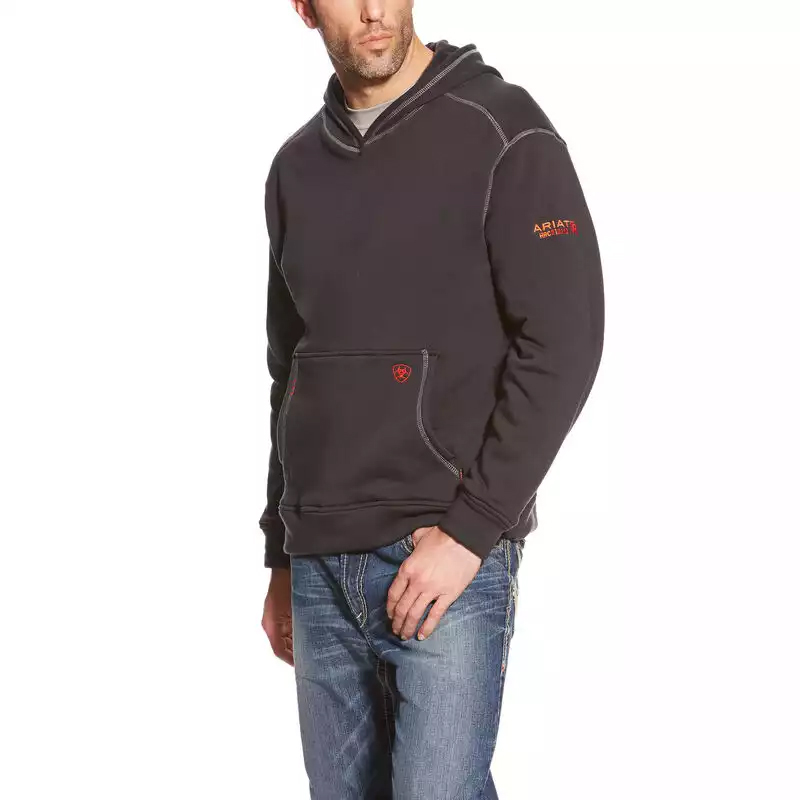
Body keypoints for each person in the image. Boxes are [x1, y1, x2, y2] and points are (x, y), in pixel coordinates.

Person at [259, 2, 605, 797]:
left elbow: (565, 341)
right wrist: (280, 550)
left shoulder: (503, 130)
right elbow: (291, 373)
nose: (373, 10)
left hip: (440, 548)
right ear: (305, 9)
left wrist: (471, 530)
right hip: (318, 565)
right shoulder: (294, 169)